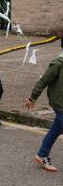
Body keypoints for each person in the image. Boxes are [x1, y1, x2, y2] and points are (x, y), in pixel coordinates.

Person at [26, 39, 63, 172]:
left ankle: (42, 155)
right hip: (60, 103)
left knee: (56, 130)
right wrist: (32, 97)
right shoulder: (58, 63)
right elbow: (43, 81)